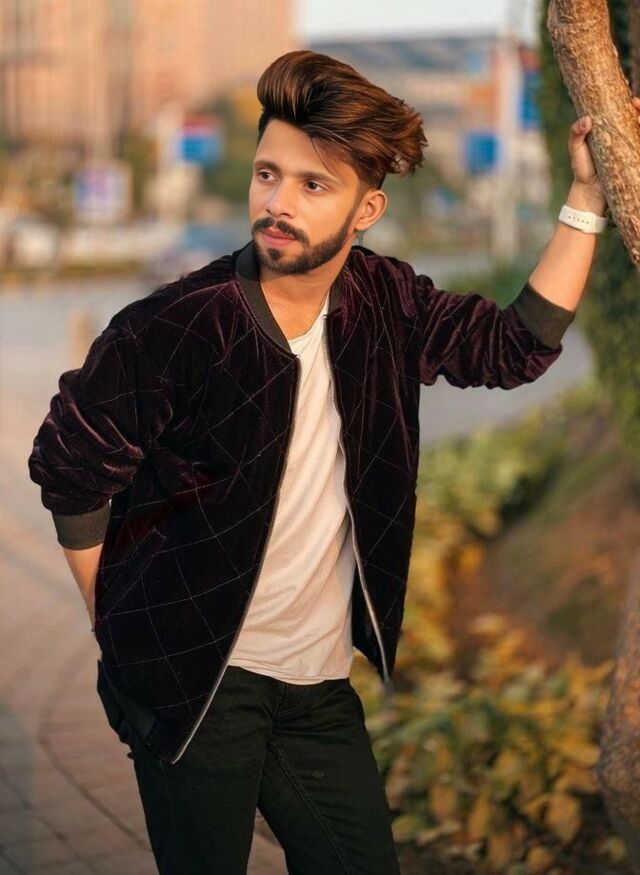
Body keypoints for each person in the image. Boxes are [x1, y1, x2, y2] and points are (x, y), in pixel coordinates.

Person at [28, 49, 620, 875]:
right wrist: (121, 627)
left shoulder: (387, 302)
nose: (278, 203)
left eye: (313, 185)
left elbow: (514, 345)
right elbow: (71, 462)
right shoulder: (174, 325)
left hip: (316, 688)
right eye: (268, 175)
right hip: (199, 687)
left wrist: (585, 200)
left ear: (366, 208)